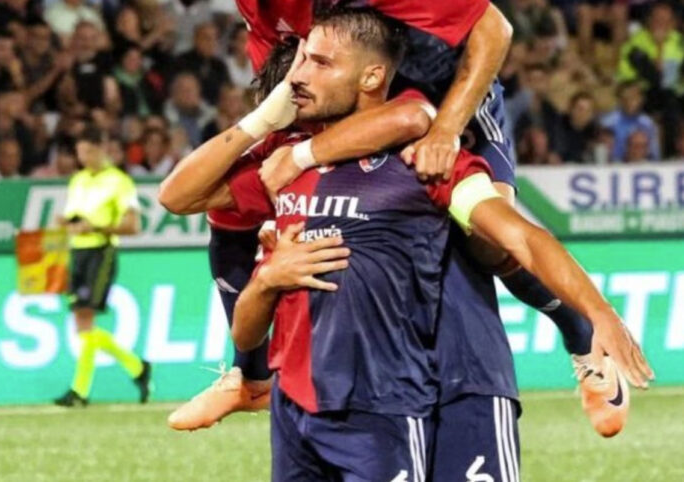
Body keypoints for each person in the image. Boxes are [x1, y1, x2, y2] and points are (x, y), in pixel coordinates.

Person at [160, 10, 652, 479]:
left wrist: (598, 311)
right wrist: (267, 275)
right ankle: (249, 378)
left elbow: (514, 225)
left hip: (437, 385)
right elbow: (181, 195)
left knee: (486, 244)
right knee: (224, 217)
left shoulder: (420, 160)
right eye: (303, 59)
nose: (298, 76)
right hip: (314, 405)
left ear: (371, 77)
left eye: (318, 62)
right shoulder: (285, 163)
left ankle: (578, 333)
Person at [53, 124, 152, 407]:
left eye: (88, 151)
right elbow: (74, 217)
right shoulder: (78, 180)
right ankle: (137, 367)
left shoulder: (119, 181)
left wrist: (96, 227)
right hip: (78, 253)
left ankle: (80, 391)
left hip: (101, 251)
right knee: (83, 325)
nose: (83, 158)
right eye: (79, 152)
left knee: (85, 319)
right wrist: (66, 223)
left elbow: (133, 225)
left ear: (101, 148)